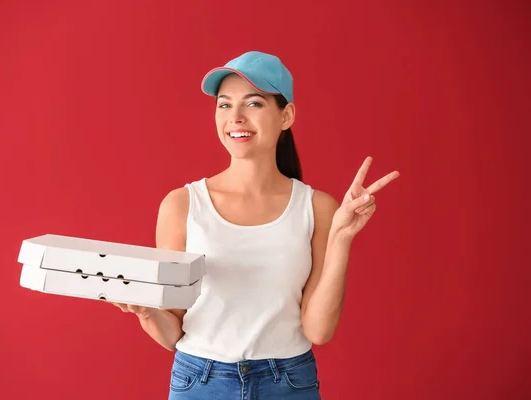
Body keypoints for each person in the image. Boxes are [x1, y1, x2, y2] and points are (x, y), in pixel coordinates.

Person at [110, 51, 400, 399]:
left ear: (286, 115)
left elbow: (319, 331)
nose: (235, 117)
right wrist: (146, 312)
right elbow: (172, 332)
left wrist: (341, 237)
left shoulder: (318, 208)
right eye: (224, 104)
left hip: (289, 382)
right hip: (199, 381)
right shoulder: (182, 205)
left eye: (254, 104)